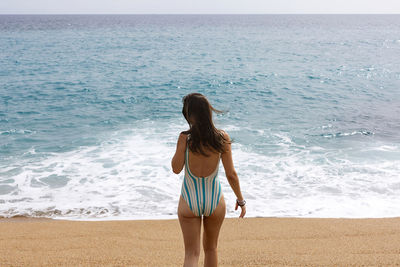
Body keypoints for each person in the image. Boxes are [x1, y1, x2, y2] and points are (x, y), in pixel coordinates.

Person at [171, 93, 246, 267]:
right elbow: (231, 174)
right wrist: (240, 200)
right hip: (214, 201)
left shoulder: (185, 137)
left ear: (190, 115)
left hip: (189, 201)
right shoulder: (222, 137)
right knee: (211, 249)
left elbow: (176, 169)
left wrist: (180, 145)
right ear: (208, 112)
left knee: (191, 253)